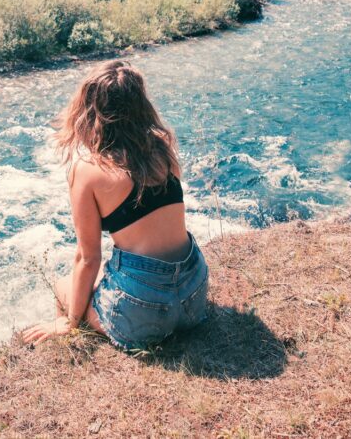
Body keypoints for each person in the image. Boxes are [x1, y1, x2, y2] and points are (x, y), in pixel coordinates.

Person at [20, 60, 209, 350]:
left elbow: (88, 258)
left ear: (89, 111)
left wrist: (71, 321)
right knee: (111, 274)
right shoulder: (162, 145)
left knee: (63, 287)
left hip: (146, 312)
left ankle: (71, 347)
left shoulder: (86, 170)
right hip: (194, 296)